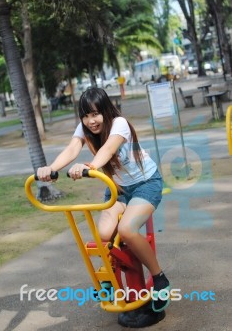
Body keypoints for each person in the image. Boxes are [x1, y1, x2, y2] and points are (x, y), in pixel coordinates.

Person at [37, 87, 170, 313]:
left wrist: (89, 167)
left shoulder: (119, 123)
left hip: (146, 184)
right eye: (86, 116)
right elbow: (72, 149)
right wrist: (51, 169)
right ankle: (110, 275)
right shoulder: (84, 127)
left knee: (127, 230)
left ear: (106, 111)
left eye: (95, 114)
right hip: (117, 188)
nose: (91, 121)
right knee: (104, 235)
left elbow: (108, 149)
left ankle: (159, 278)